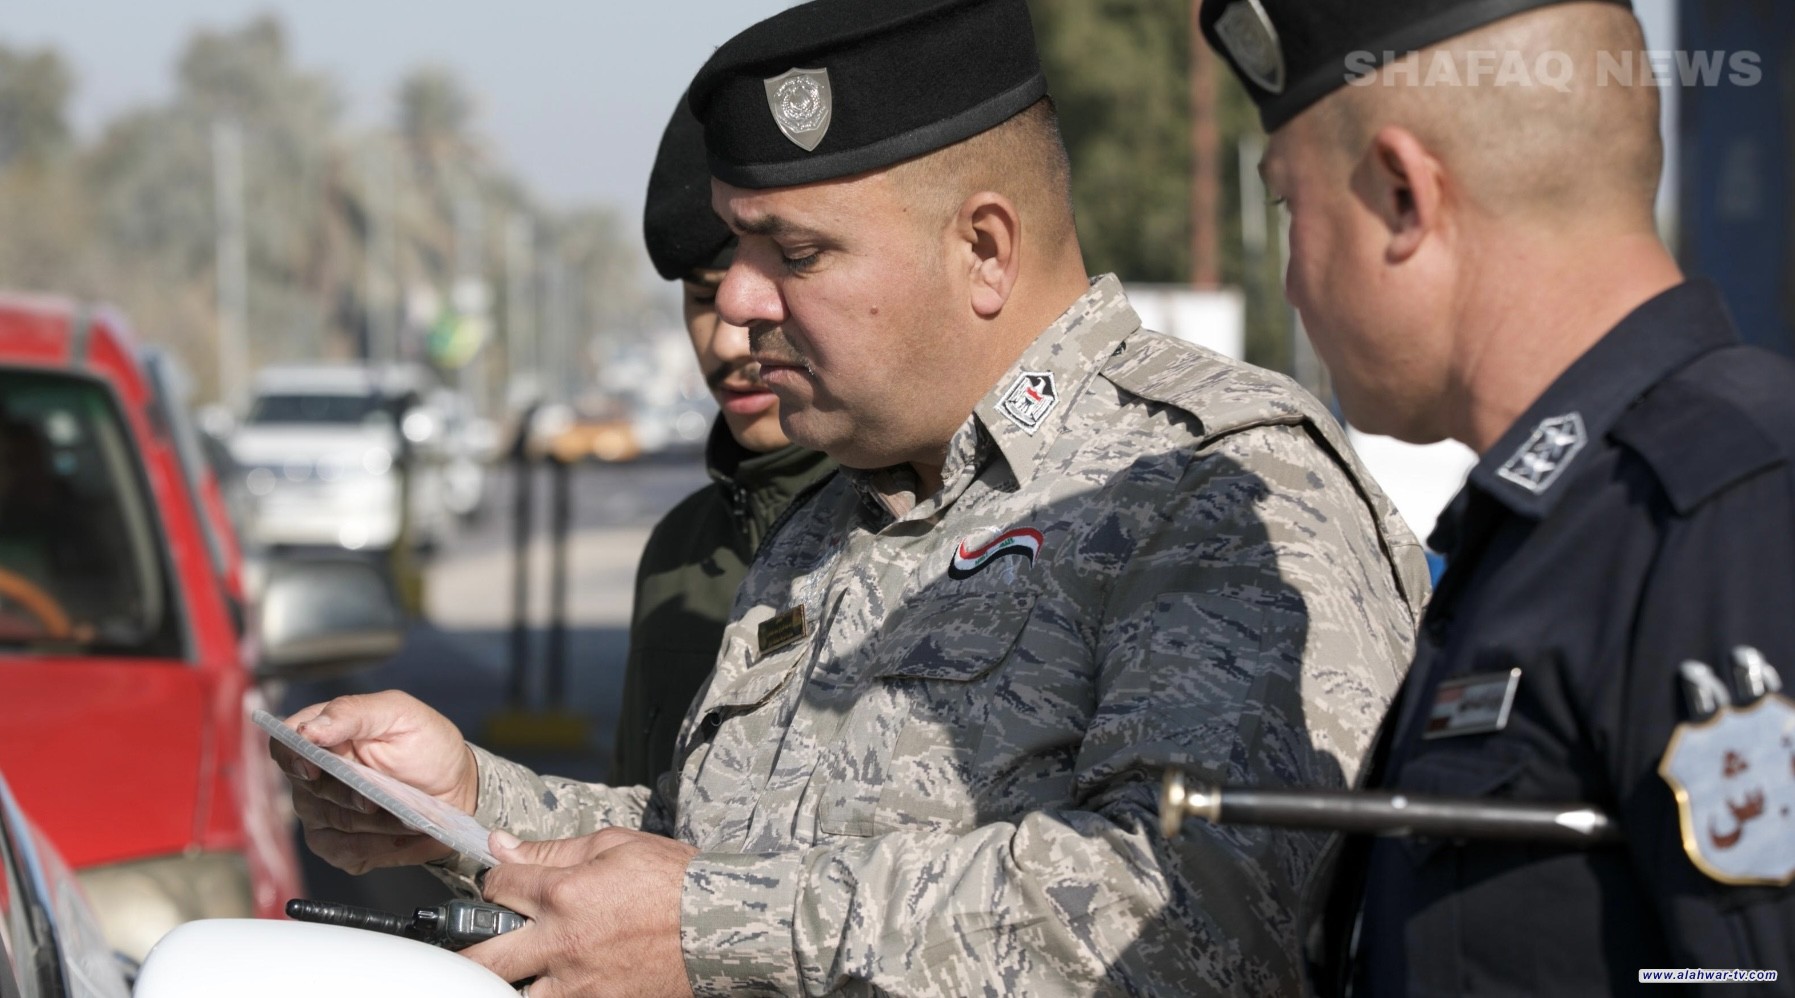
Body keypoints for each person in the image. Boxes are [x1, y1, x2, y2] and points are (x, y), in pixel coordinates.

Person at [274, 1, 1429, 993]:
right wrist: (472, 808)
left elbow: (1189, 914)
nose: (735, 298)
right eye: (732, 248)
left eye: (796, 252)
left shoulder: (1214, 483)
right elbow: (712, 851)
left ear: (983, 247)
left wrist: (709, 927)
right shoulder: (838, 510)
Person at [1200, 0, 1795, 993]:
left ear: (1402, 196)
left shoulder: (1722, 509)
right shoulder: (1558, 529)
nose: (1294, 280)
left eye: (1288, 208)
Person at [611, 97, 837, 788]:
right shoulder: (681, 552)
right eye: (702, 299)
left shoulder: (938, 526)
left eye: (779, 276)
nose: (723, 342)